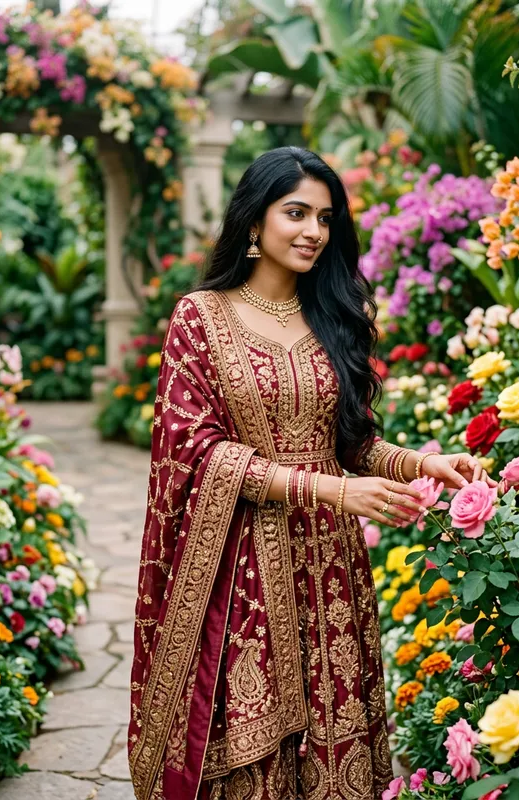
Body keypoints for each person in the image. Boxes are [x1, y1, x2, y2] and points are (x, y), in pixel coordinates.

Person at [128, 146, 494, 800]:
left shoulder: (332, 314)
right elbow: (194, 448)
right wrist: (329, 490)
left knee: (335, 731)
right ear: (254, 220)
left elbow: (350, 441)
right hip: (243, 571)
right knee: (253, 748)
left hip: (331, 567)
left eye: (325, 219)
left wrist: (423, 464)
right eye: (295, 213)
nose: (313, 232)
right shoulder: (200, 317)